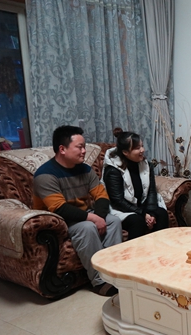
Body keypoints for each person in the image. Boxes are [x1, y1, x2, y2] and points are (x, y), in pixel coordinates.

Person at [33, 125, 123, 296]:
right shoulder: (45, 175)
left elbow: (101, 196)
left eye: (84, 146)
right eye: (79, 147)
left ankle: (114, 273)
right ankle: (99, 281)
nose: (84, 151)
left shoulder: (85, 169)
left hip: (83, 214)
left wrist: (99, 217)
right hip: (59, 222)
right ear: (62, 149)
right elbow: (59, 208)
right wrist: (93, 219)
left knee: (114, 221)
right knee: (87, 227)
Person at [102, 128, 169, 240]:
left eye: (142, 146)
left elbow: (151, 191)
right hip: (121, 209)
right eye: (137, 148)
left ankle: (161, 247)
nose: (142, 150)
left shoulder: (146, 165)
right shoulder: (113, 170)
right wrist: (143, 214)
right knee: (137, 221)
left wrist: (151, 212)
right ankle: (136, 250)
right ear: (125, 152)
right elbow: (117, 201)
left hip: (141, 206)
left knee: (161, 213)